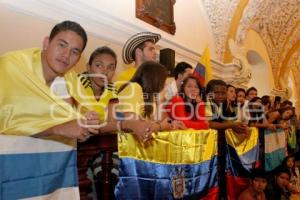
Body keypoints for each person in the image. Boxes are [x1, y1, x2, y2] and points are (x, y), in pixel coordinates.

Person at [0, 20, 99, 144]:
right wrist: (58, 129)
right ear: (46, 43)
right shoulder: (12, 66)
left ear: (78, 59)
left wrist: (87, 123)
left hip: (56, 159)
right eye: (62, 45)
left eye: (74, 52)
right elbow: (7, 123)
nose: (66, 55)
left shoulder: (73, 83)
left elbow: (81, 120)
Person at [118, 61, 184, 138]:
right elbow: (134, 125)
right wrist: (161, 126)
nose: (165, 84)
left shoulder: (151, 96)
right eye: (163, 80)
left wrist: (172, 123)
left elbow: (162, 119)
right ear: (154, 78)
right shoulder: (134, 88)